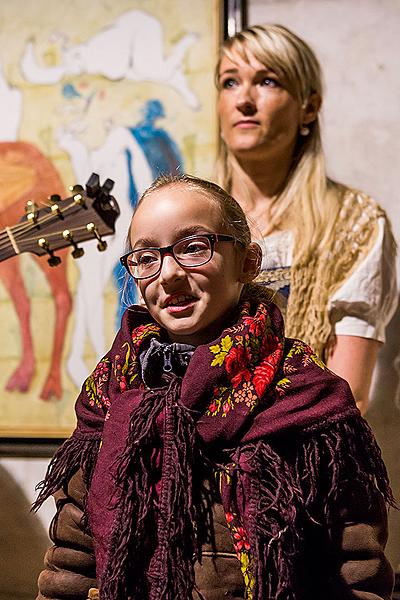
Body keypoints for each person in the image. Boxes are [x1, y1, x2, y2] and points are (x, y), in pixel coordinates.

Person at [35, 175, 395, 600]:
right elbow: (73, 563)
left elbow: (356, 573)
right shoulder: (111, 392)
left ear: (248, 262)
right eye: (147, 256)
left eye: (193, 247)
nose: (168, 274)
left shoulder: (307, 398)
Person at [215, 24, 398, 415]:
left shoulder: (354, 223)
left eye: (267, 81)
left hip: (299, 457)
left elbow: (347, 399)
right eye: (230, 83)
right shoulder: (187, 218)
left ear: (309, 107)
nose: (244, 100)